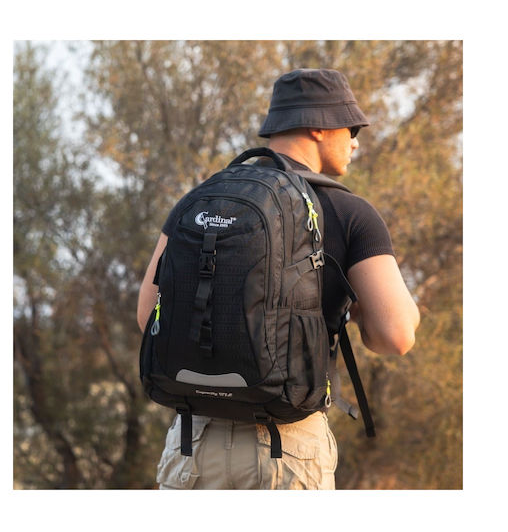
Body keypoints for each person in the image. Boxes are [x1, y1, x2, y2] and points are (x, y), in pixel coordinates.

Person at [137, 68, 420, 490]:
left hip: (191, 442)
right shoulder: (349, 213)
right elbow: (395, 337)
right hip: (285, 447)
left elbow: (148, 316)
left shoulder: (199, 199)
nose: (356, 141)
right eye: (352, 128)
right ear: (318, 126)